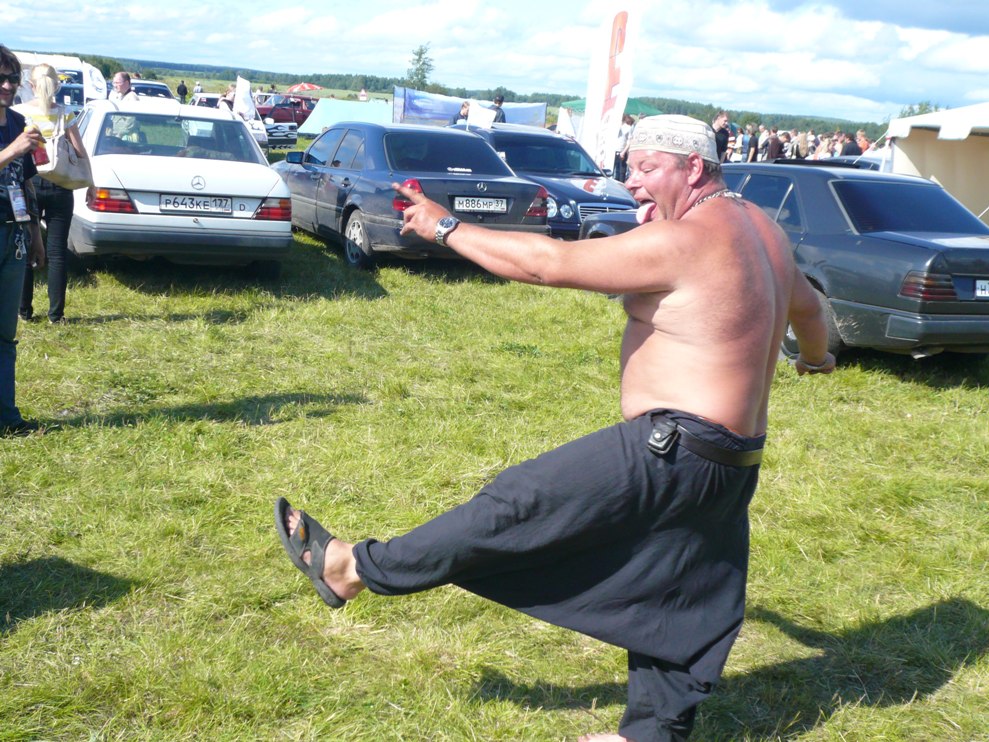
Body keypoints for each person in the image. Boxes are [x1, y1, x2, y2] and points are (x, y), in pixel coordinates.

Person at [275, 114, 835, 742]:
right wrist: (816, 360)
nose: (632, 182)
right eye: (629, 168)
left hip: (671, 449)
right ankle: (650, 733)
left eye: (647, 169)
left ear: (694, 168)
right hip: (732, 459)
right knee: (678, 592)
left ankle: (351, 569)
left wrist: (446, 227)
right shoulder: (763, 230)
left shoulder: (685, 239)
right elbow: (810, 310)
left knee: (518, 506)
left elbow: (548, 263)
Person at [13, 63, 87, 324]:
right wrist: (89, 181)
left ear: (31, 85)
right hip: (60, 184)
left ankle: (24, 310)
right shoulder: (65, 114)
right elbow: (79, 150)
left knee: (25, 247)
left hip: (29, 183)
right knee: (57, 252)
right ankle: (56, 314)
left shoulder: (19, 113)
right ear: (56, 85)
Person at [0, 45, 47, 436]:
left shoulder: (18, 121)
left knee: (5, 333)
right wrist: (10, 150)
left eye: (13, 78)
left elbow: (25, 182)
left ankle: (8, 417)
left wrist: (35, 233)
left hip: (14, 235)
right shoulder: (15, 136)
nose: (7, 85)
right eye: (0, 78)